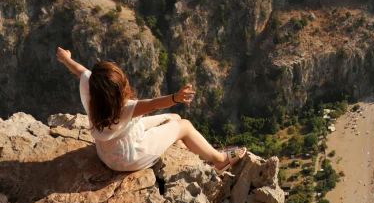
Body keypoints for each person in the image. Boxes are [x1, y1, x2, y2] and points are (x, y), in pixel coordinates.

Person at [56, 46, 245, 172]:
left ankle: (183, 147)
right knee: (185, 125)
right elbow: (154, 103)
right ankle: (220, 160)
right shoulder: (125, 109)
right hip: (128, 157)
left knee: (174, 117)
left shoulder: (94, 95)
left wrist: (66, 59)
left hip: (106, 152)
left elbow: (80, 70)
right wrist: (175, 97)